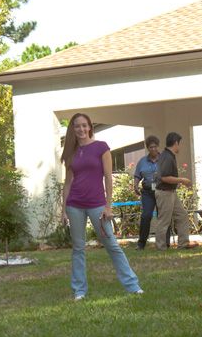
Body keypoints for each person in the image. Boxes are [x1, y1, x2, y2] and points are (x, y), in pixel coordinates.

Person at [61, 112, 144, 301]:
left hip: (97, 205)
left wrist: (108, 206)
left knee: (112, 245)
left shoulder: (101, 147)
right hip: (74, 205)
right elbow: (67, 182)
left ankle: (132, 285)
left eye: (84, 125)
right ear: (72, 130)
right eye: (77, 126)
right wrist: (63, 209)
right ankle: (79, 291)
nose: (81, 129)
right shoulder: (70, 152)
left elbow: (108, 176)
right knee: (78, 248)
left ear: (90, 127)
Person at [154, 132, 198, 250]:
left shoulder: (168, 155)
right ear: (176, 143)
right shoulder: (167, 157)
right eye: (179, 144)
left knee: (182, 215)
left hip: (170, 192)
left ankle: (183, 244)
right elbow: (164, 177)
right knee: (164, 220)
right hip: (164, 193)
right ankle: (161, 247)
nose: (180, 147)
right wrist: (182, 180)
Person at [132, 135, 162, 249]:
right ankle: (141, 244)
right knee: (146, 216)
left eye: (155, 147)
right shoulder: (142, 161)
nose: (153, 149)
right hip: (148, 192)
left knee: (163, 216)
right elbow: (137, 175)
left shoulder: (164, 159)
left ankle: (164, 243)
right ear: (147, 148)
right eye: (150, 147)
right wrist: (135, 185)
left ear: (158, 146)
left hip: (162, 191)